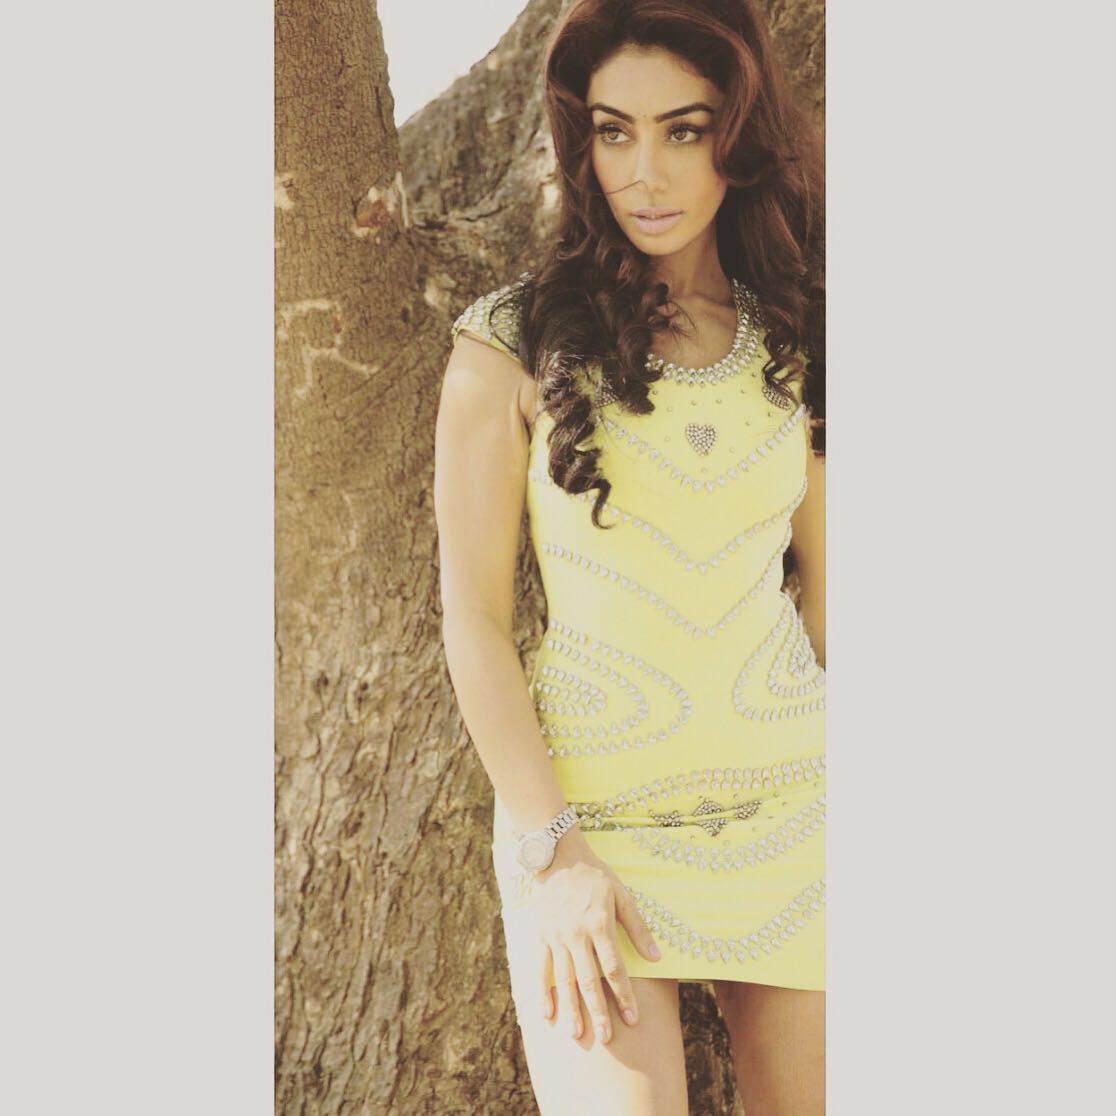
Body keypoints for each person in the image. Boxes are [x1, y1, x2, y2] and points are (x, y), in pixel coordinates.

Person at [434, 1, 825, 1112]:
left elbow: (838, 606)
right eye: (615, 131)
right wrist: (555, 854)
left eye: (683, 130)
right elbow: (472, 621)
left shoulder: (802, 333)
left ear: (737, 134)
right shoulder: (506, 342)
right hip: (585, 830)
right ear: (582, 140)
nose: (644, 172)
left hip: (798, 813)